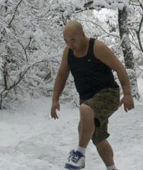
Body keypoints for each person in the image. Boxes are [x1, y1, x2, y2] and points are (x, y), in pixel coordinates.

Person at [51, 21, 135, 170]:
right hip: (87, 98)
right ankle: (112, 168)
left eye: (73, 40)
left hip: (108, 94)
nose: (70, 44)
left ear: (82, 35)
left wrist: (127, 93)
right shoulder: (68, 52)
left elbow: (120, 68)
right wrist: (55, 99)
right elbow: (62, 74)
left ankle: (79, 154)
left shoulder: (97, 47)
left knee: (85, 111)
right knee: (97, 137)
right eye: (66, 41)